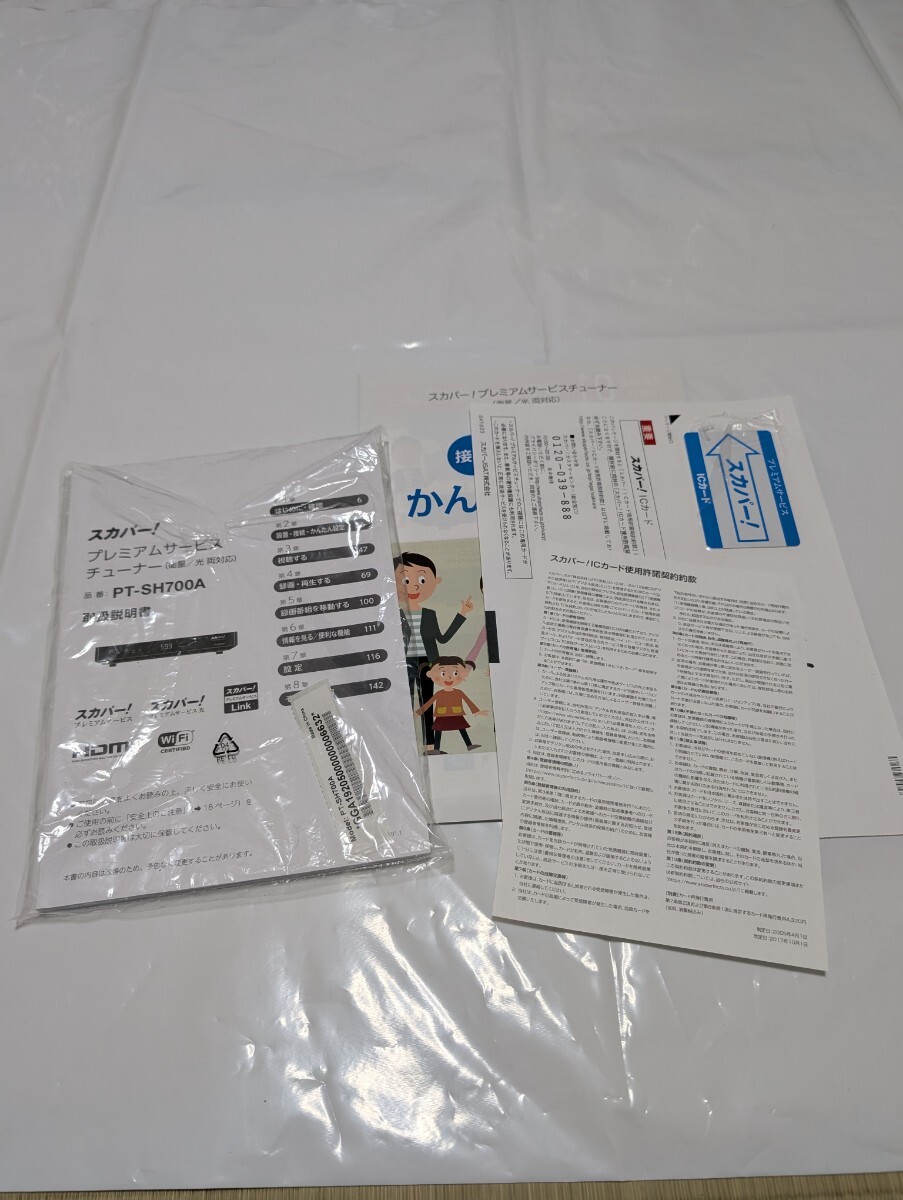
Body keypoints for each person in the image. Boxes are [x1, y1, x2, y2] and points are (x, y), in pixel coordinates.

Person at [394, 552, 473, 751]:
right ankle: (404, 746)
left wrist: (462, 614)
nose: (414, 586)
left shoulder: (430, 614)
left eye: (422, 580)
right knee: (404, 704)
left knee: (427, 705)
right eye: (405, 580)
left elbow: (443, 639)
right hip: (403, 663)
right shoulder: (395, 614)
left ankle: (430, 746)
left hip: (428, 664)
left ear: (435, 581)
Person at [414, 657, 488, 754]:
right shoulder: (439, 693)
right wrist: (418, 713)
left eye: (455, 673)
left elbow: (468, 701)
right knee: (438, 731)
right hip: (442, 715)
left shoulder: (459, 692)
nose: (449, 677)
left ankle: (469, 745)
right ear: (429, 674)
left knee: (462, 729)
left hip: (456, 714)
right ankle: (436, 749)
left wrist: (476, 711)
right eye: (443, 673)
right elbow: (428, 703)